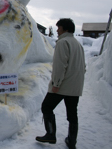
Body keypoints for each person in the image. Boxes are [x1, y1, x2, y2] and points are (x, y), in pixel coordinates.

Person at [35, 18, 85, 149]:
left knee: (46, 107)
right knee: (72, 114)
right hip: (75, 87)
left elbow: (60, 66)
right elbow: (83, 67)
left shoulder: (63, 43)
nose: (57, 30)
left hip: (62, 85)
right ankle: (72, 141)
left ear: (66, 29)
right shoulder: (77, 44)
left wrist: (56, 84)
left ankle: (50, 134)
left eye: (59, 27)